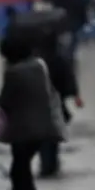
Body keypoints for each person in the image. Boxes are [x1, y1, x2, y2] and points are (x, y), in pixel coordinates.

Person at [0, 37, 65, 190]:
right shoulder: (39, 66)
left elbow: (5, 101)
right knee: (18, 173)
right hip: (41, 127)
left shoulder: (13, 72)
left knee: (21, 175)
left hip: (23, 130)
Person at [36, 34, 82, 177]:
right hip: (56, 102)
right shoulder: (60, 59)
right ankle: (52, 162)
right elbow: (69, 77)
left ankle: (45, 163)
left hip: (40, 103)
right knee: (55, 133)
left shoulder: (37, 61)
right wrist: (75, 95)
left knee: (42, 135)